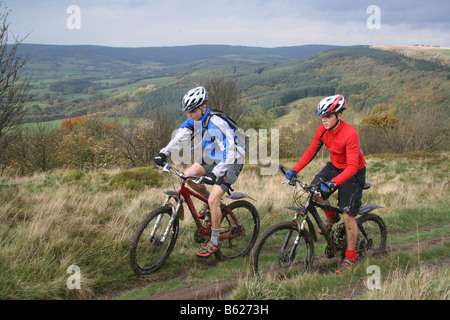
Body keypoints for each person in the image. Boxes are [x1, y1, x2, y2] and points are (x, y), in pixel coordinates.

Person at [154, 86, 245, 258]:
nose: (189, 115)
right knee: (188, 178)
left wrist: (215, 174)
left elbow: (230, 151)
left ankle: (215, 240)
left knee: (214, 199)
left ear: (203, 107)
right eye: (187, 111)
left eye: (192, 111)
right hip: (213, 155)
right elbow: (179, 137)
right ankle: (210, 205)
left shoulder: (216, 122)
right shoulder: (194, 120)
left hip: (233, 158)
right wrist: (163, 153)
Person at [284, 94, 366, 274]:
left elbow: (352, 166)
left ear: (339, 116)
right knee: (312, 192)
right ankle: (331, 216)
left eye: (328, 116)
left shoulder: (350, 133)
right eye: (322, 116)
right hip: (334, 167)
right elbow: (311, 151)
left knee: (347, 215)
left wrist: (332, 183)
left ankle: (350, 257)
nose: (324, 120)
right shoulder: (322, 130)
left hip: (353, 173)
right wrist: (295, 170)